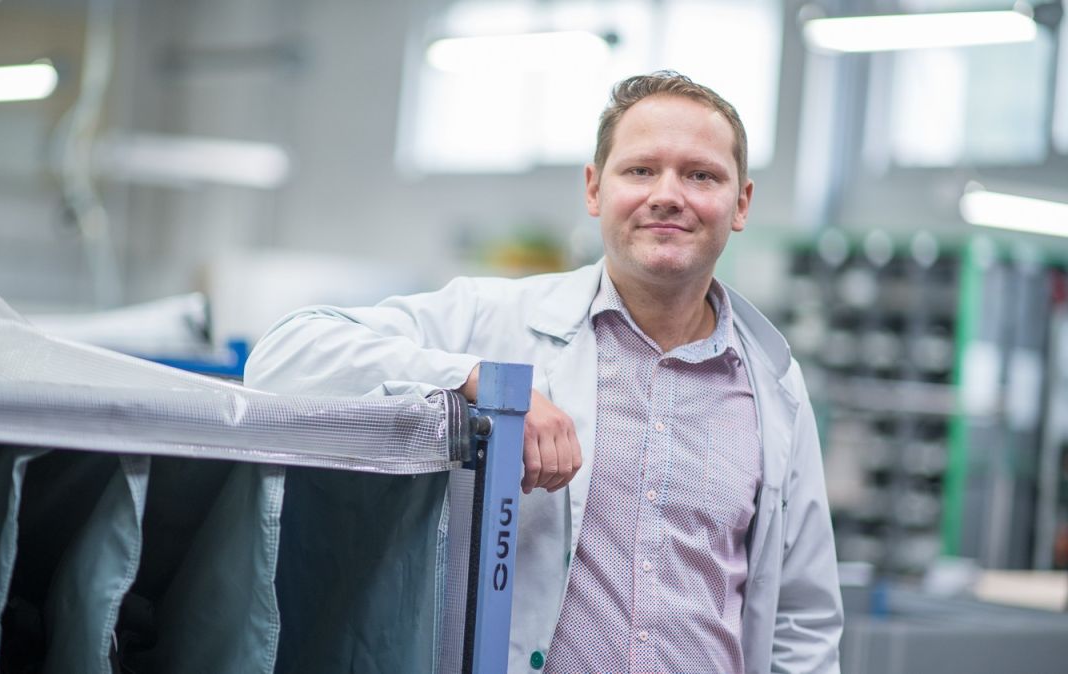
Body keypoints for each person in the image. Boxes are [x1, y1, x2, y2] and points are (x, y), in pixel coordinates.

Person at [245, 70, 843, 674]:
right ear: (594, 189)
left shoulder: (772, 385)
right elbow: (285, 356)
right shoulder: (492, 320)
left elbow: (802, 617)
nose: (668, 194)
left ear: (740, 203)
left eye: (701, 175)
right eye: (640, 170)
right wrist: (478, 382)